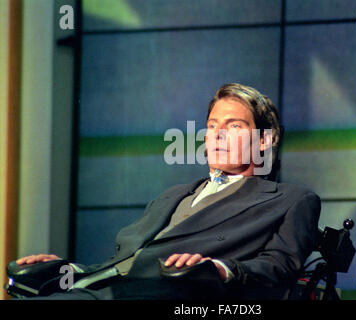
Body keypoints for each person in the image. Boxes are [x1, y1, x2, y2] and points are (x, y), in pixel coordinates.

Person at [15, 83, 321, 300]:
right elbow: (126, 263)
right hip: (104, 288)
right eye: (213, 125)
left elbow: (279, 267)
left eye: (234, 126)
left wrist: (219, 268)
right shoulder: (173, 195)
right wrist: (69, 268)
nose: (218, 134)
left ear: (264, 141)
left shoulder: (289, 199)